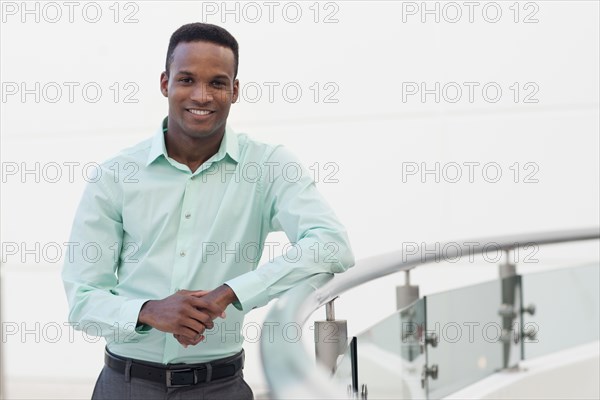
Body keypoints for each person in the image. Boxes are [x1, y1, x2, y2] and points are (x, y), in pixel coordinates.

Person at [61, 22, 354, 400]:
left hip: (221, 387)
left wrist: (229, 293)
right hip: (125, 387)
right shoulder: (116, 175)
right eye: (187, 79)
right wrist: (148, 311)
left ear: (234, 90)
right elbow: (83, 300)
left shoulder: (268, 166)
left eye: (217, 83)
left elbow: (331, 245)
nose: (202, 95)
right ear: (165, 83)